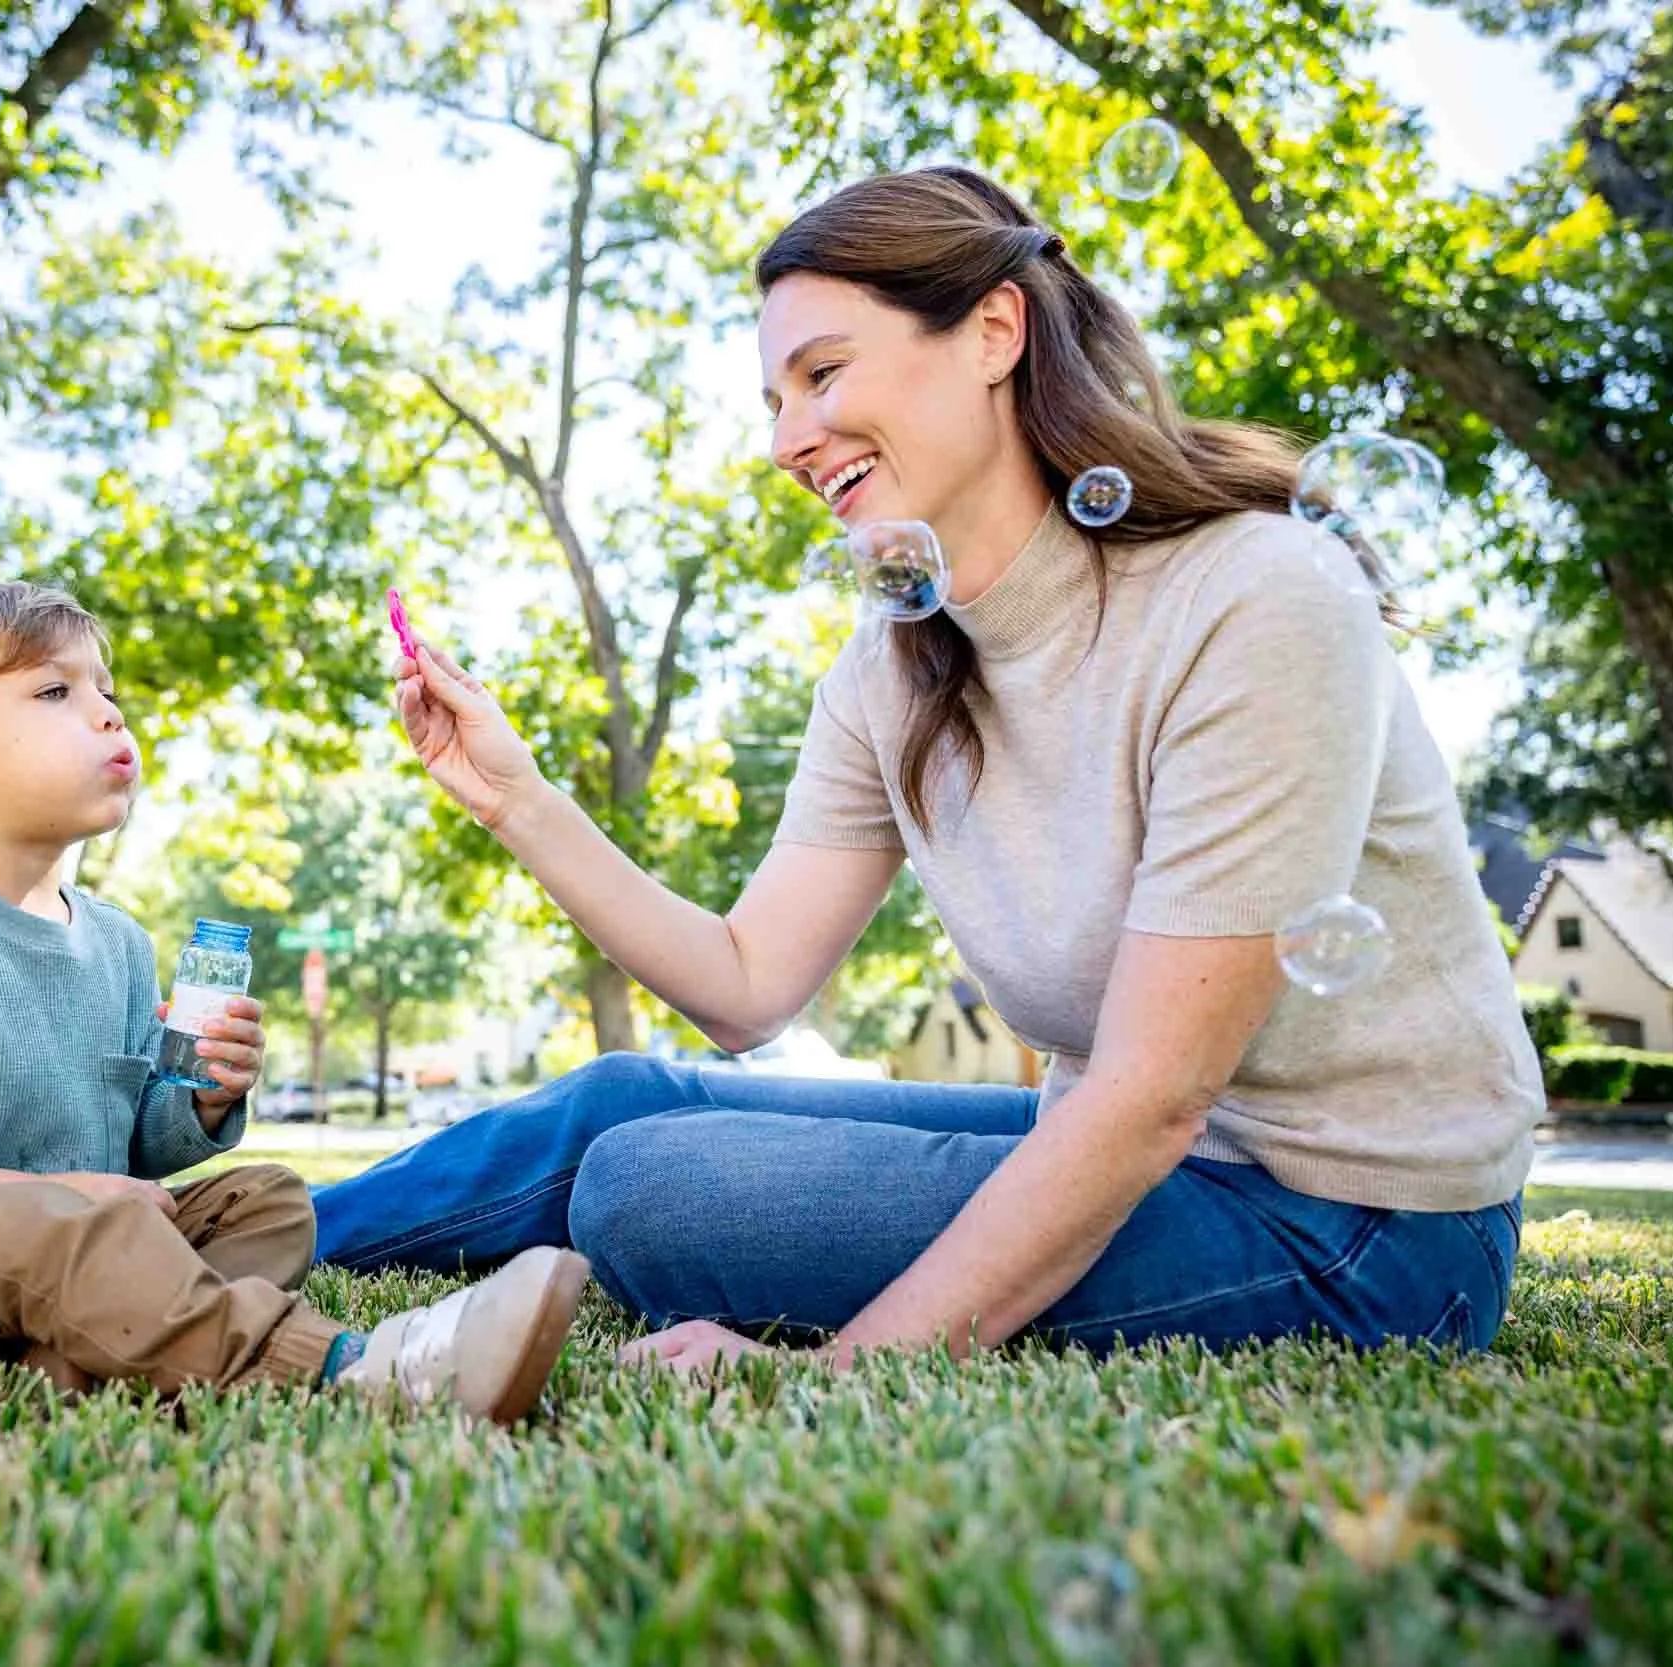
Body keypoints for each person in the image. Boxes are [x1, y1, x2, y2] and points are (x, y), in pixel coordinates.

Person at [312, 166, 1539, 1374]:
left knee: (651, 1183)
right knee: (616, 1101)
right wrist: (518, 798)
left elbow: (1153, 1096)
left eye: (823, 374)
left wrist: (836, 1367)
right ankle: (207, 1238)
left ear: (994, 331)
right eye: (773, 400)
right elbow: (746, 986)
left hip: (1363, 1226)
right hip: (1145, 1141)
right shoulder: (893, 667)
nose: (790, 439)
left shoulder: (1257, 593)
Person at [0, 580, 588, 1424]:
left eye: (105, 690)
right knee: (48, 1231)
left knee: (270, 1201)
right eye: (54, 691)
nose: (109, 714)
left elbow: (131, 1138)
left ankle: (88, 1353)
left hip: (58, 1258)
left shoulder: (112, 941)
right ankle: (359, 1368)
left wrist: (203, 1098)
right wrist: (49, 1197)